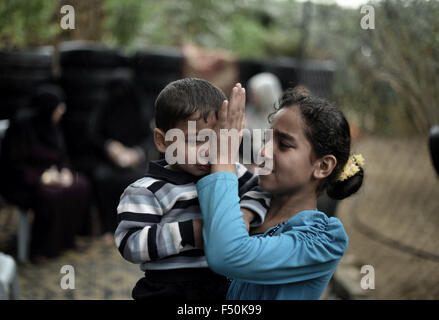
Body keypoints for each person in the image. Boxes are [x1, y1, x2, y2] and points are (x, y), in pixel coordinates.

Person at [196, 84, 364, 299]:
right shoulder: (246, 199)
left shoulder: (323, 241)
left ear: (323, 166)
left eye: (283, 144)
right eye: (267, 139)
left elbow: (226, 255)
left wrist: (224, 156)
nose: (264, 152)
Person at [115, 78, 271, 300]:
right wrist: (191, 232)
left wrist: (245, 215)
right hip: (166, 290)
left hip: (220, 285)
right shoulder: (146, 191)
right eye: (196, 141)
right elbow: (129, 244)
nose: (208, 151)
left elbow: (260, 190)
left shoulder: (228, 173)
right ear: (162, 141)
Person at [0, 84, 91, 263]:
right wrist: (43, 178)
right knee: (49, 195)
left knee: (80, 185)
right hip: (22, 182)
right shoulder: (21, 126)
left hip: (52, 175)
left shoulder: (51, 125)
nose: (62, 110)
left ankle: (65, 239)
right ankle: (41, 248)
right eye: (59, 106)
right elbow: (14, 164)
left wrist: (65, 172)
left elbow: (62, 154)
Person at [88, 79, 154, 244]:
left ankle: (136, 227)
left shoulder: (140, 108)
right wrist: (109, 146)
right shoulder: (104, 108)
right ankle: (108, 228)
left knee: (139, 183)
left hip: (135, 160)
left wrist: (136, 153)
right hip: (108, 161)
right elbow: (94, 135)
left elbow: (149, 138)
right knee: (104, 180)